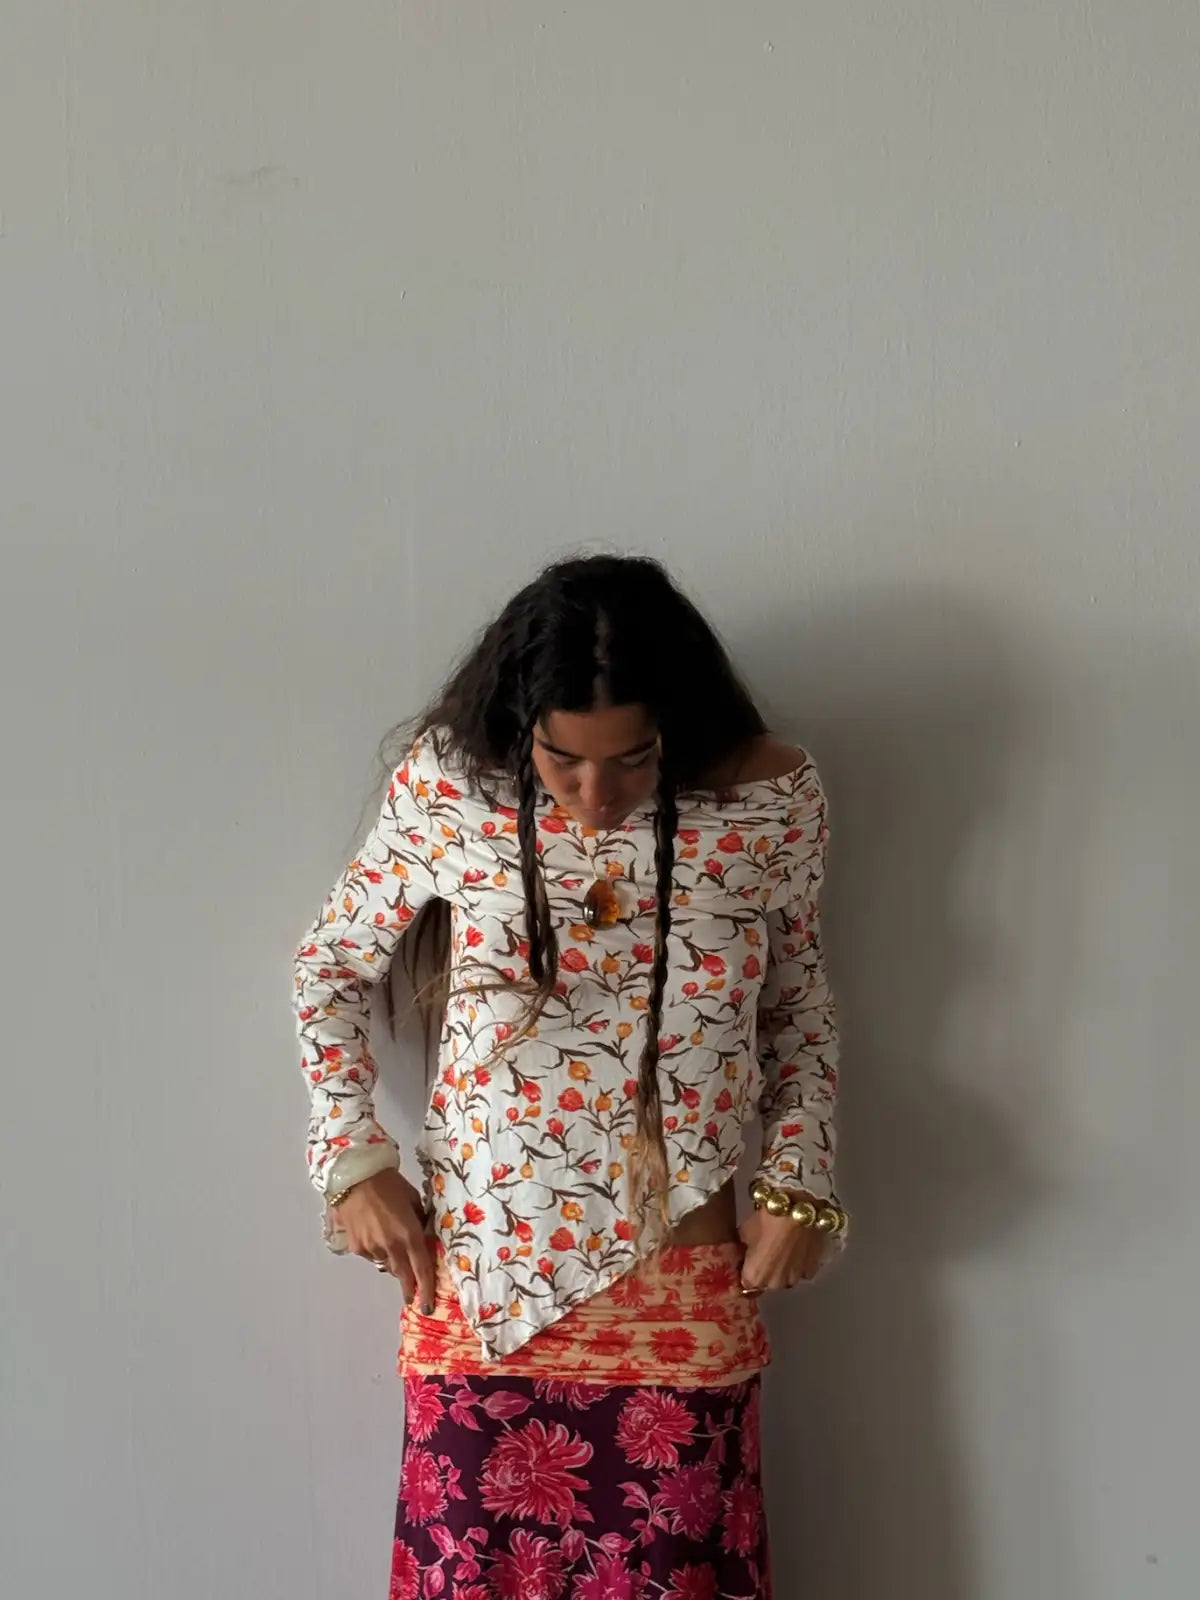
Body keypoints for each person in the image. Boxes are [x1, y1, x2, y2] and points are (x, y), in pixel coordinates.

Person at [292, 553, 845, 1599]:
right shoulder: (450, 785)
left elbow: (796, 1003)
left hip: (682, 1284)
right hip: (482, 1291)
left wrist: (800, 1175)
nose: (598, 796)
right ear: (522, 725)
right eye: (564, 760)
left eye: (634, 759)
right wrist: (352, 1161)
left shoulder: (769, 800)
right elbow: (331, 966)